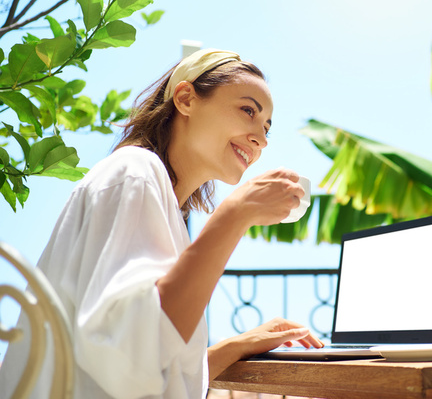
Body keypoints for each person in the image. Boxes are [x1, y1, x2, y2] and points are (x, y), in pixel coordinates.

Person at [0, 49, 324, 399]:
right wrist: (235, 214)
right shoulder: (135, 171)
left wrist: (237, 346)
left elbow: (153, 366)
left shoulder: (166, 208)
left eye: (266, 128)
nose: (260, 139)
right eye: (248, 110)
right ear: (185, 99)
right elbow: (131, 360)